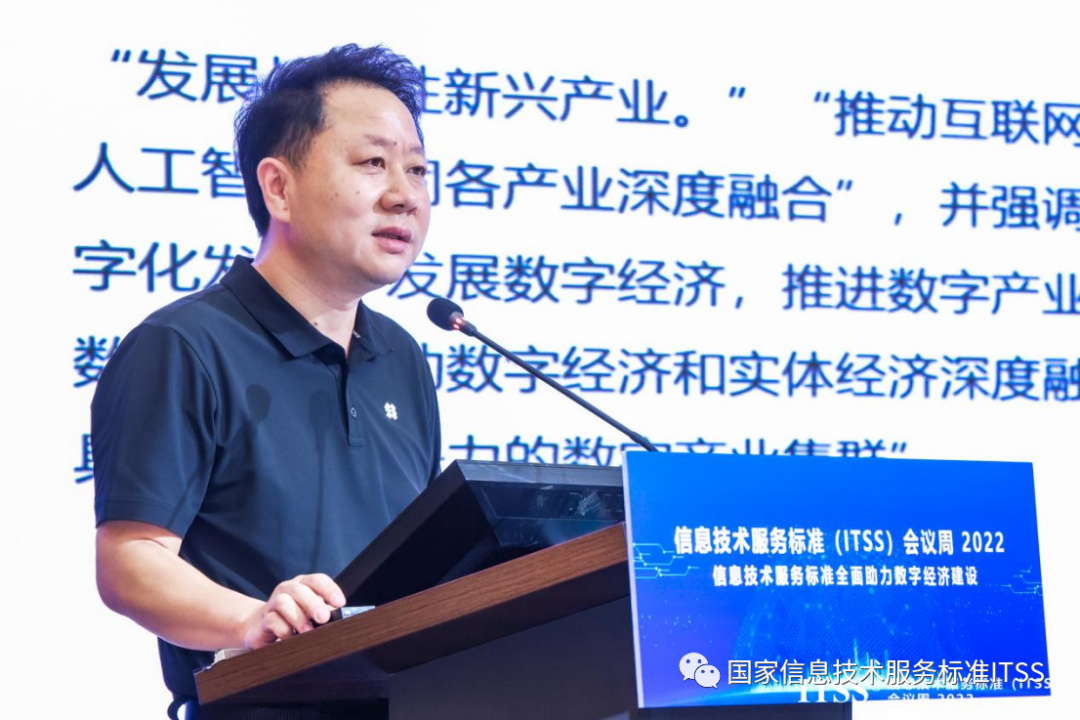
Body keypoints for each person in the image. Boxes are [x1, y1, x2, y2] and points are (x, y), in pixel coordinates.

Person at [92, 45, 440, 719]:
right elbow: (131, 559)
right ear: (278, 187)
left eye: (418, 169)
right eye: (373, 163)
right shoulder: (185, 345)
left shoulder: (401, 356)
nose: (404, 194)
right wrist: (254, 619)